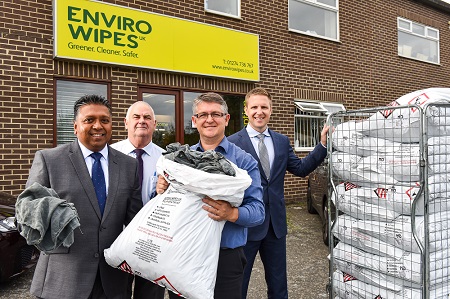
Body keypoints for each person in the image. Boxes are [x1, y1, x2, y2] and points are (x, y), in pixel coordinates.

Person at [26, 95, 143, 299]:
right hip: (63, 281)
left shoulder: (128, 165)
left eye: (104, 120)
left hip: (112, 281)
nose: (98, 126)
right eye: (89, 120)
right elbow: (26, 212)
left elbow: (136, 221)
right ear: (75, 126)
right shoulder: (49, 160)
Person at [156, 92, 265, 299]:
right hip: (183, 254)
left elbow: (258, 212)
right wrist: (160, 189)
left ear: (226, 119)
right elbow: (164, 207)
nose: (209, 119)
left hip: (226, 258)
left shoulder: (244, 162)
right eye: (203, 114)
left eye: (216, 114)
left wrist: (231, 213)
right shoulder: (178, 160)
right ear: (194, 121)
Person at [227, 87, 329, 299]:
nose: (259, 111)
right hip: (245, 226)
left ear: (271, 110)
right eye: (254, 107)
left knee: (278, 286)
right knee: (238, 285)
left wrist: (322, 145)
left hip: (275, 226)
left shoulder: (281, 141)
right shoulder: (233, 143)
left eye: (264, 107)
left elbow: (300, 169)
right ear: (246, 110)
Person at [111, 101, 166, 299]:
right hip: (118, 239)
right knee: (117, 293)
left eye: (147, 117)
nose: (142, 121)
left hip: (154, 243)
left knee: (150, 295)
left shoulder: (167, 159)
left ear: (154, 123)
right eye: (136, 117)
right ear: (126, 122)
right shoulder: (110, 155)